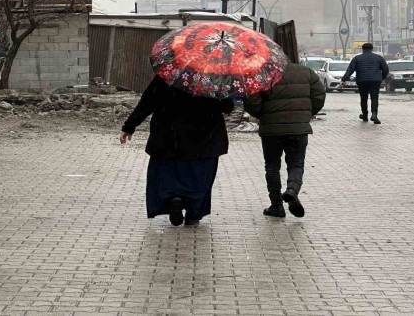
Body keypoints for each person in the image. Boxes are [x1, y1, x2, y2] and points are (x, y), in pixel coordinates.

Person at [120, 75, 234, 226]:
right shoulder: (215, 77)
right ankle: (193, 212)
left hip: (169, 134)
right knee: (199, 176)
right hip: (204, 138)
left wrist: (129, 126)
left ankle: (174, 198)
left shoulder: (169, 73)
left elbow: (148, 101)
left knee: (169, 172)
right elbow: (227, 107)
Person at [243, 62, 326, 218]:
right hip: (298, 129)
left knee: (272, 166)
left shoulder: (262, 74)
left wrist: (262, 114)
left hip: (271, 130)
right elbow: (319, 96)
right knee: (296, 164)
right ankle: (292, 190)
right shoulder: (306, 72)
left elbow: (252, 101)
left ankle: (276, 206)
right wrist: (304, 114)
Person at [341, 42, 389, 124]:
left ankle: (365, 115)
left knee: (363, 98)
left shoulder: (357, 58)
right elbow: (386, 69)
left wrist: (343, 79)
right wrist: (382, 78)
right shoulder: (379, 58)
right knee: (374, 98)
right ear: (372, 49)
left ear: (362, 49)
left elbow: (350, 70)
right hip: (375, 81)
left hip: (362, 81)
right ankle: (374, 115)